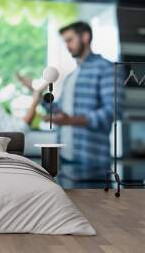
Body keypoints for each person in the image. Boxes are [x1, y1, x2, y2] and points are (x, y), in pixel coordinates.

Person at [21, 22, 124, 169]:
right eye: (65, 42)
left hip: (92, 160)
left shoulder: (107, 69)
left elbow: (113, 111)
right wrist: (37, 92)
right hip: (65, 158)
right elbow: (60, 112)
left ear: (85, 37)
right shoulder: (72, 76)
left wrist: (71, 121)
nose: (67, 46)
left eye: (70, 40)